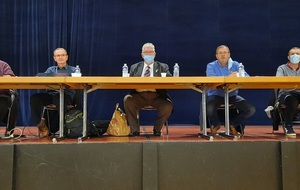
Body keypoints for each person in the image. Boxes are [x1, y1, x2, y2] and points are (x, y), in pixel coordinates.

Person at [123, 42, 173, 136]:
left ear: (155, 54)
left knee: (168, 106)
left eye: (151, 52)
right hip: (139, 96)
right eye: (146, 52)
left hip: (157, 97)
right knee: (128, 100)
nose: (148, 54)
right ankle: (134, 130)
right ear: (142, 55)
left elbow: (170, 79)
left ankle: (157, 129)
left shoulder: (163, 67)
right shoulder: (135, 67)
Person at [206, 45, 256, 135]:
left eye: (225, 53)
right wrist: (228, 78)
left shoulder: (236, 65)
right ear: (216, 56)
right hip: (215, 95)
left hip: (231, 95)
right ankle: (216, 124)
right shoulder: (211, 65)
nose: (223, 55)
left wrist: (237, 75)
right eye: (220, 53)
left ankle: (232, 124)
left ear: (229, 54)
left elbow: (247, 77)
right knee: (209, 108)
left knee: (250, 109)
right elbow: (211, 79)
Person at [30, 48, 77, 137]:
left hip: (66, 95)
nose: (60, 57)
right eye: (58, 56)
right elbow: (41, 79)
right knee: (34, 98)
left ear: (67, 57)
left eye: (63, 55)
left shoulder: (74, 70)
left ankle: (64, 127)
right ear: (54, 58)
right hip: (51, 95)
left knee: (59, 98)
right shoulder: (50, 70)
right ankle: (40, 123)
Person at [275, 47, 300, 136]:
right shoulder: (282, 68)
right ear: (288, 57)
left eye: (298, 54)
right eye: (293, 54)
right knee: (291, 100)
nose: (295, 55)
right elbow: (279, 81)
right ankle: (288, 126)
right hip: (286, 93)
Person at [0, 60, 19, 135]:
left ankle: (10, 130)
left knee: (3, 100)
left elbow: (10, 77)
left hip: (2, 94)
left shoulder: (3, 64)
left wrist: (8, 77)